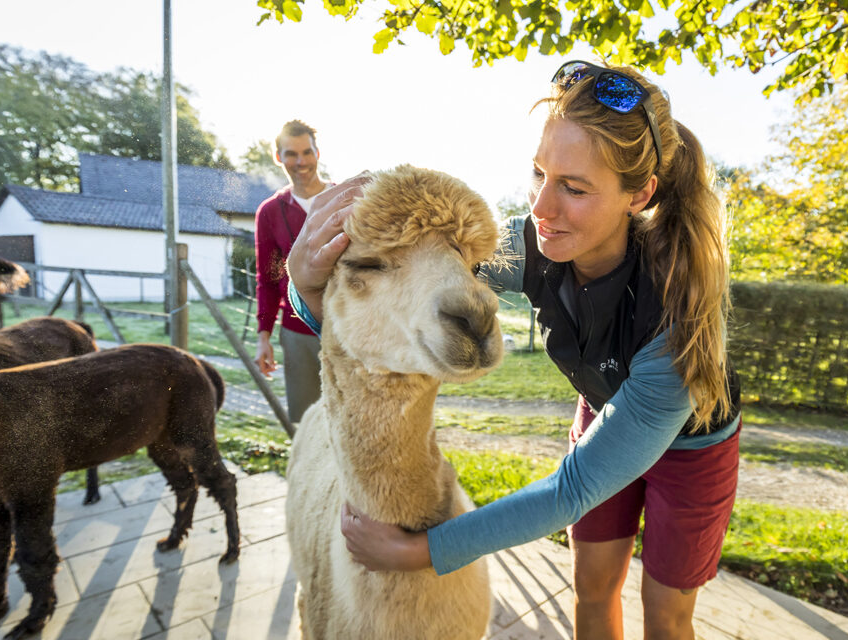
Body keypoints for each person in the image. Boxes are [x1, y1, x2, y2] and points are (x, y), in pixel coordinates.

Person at [287, 61, 740, 639]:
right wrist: (304, 285)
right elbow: (396, 289)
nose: (543, 209)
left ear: (640, 194)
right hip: (604, 411)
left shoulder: (673, 319)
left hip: (692, 446)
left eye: (574, 188)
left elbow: (572, 490)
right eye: (539, 174)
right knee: (593, 589)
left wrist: (425, 551)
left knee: (666, 611)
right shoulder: (532, 245)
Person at [253, 120, 329, 423]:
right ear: (278, 157)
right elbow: (268, 280)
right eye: (291, 154)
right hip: (297, 333)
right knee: (306, 421)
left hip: (346, 326)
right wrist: (264, 337)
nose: (301, 162)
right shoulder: (270, 212)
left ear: (317, 153)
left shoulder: (344, 200)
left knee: (353, 418)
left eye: (306, 152)